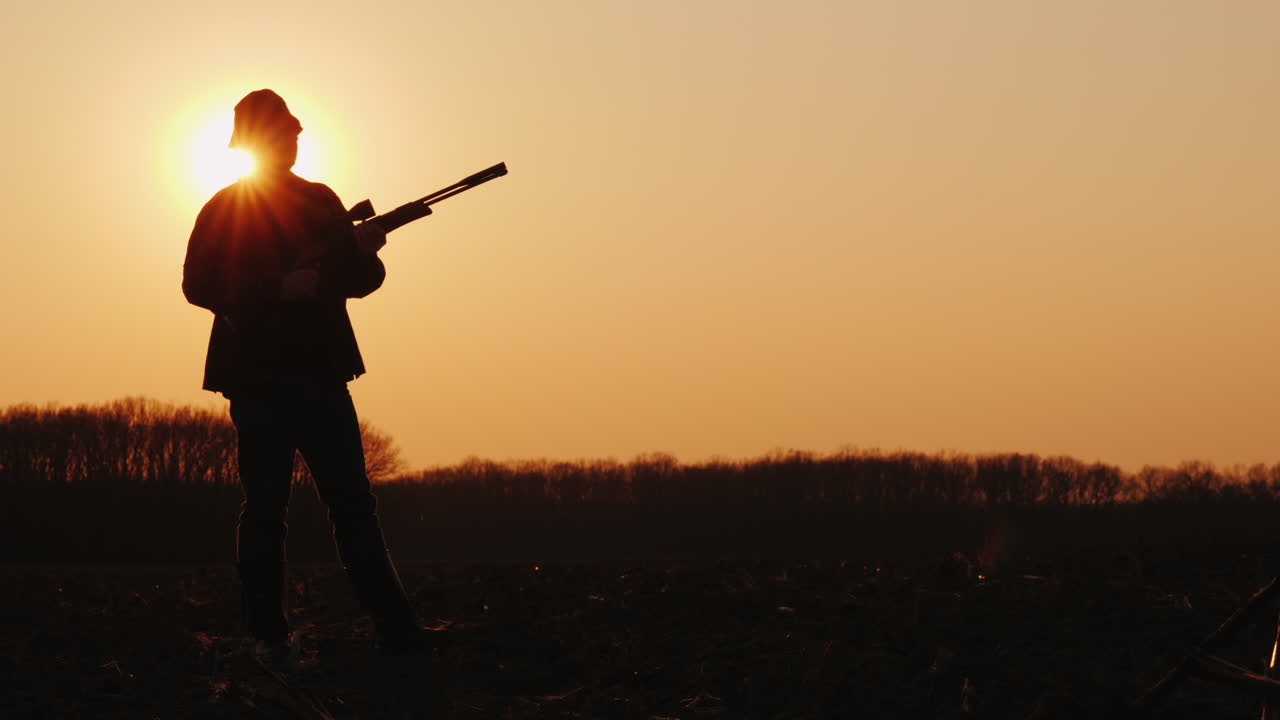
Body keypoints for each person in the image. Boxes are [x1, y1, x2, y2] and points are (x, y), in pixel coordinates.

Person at [183, 89, 427, 663]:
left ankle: (397, 629)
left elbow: (355, 282)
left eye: (295, 134)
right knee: (266, 507)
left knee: (353, 505)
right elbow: (198, 286)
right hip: (259, 379)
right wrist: (275, 287)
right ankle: (265, 635)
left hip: (321, 374)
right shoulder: (223, 209)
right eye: (281, 135)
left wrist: (368, 252)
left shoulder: (321, 202)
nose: (292, 142)